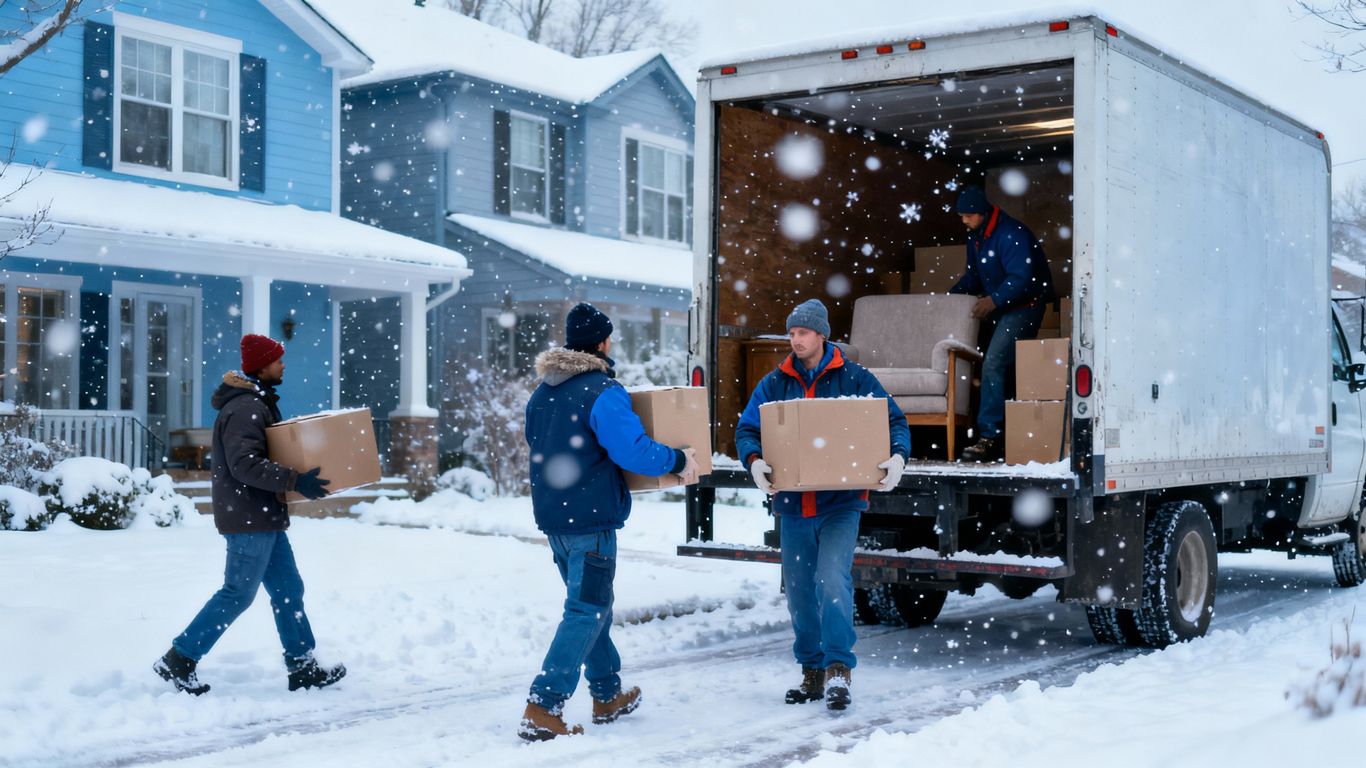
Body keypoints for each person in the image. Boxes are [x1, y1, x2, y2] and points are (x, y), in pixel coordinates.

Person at [519, 302, 700, 741]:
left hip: (555, 520)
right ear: (602, 343)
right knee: (587, 609)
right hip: (591, 520)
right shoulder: (603, 391)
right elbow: (632, 450)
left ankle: (606, 693)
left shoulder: (543, 393)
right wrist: (678, 459)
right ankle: (544, 705)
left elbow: (536, 443)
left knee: (591, 607)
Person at [735, 298, 910, 711]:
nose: (795, 340)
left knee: (832, 582)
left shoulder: (853, 377)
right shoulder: (775, 382)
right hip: (793, 507)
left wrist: (898, 456)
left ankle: (838, 671)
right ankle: (812, 671)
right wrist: (755, 462)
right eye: (792, 333)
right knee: (798, 592)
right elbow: (747, 429)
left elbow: (894, 420)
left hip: (840, 504)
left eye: (803, 333)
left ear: (822, 335)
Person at [153, 333, 344, 696]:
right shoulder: (245, 408)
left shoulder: (256, 402)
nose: (283, 365)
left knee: (289, 590)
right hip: (248, 518)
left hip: (264, 516)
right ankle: (180, 657)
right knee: (237, 594)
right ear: (262, 365)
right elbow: (244, 465)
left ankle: (302, 665)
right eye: (278, 360)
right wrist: (294, 480)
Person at [948, 185, 1055, 462]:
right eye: (961, 215)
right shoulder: (976, 237)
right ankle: (1005, 429)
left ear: (983, 213)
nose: (964, 220)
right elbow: (973, 276)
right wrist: (951, 296)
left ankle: (990, 437)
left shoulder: (1011, 234)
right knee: (989, 363)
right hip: (1001, 306)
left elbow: (1022, 279)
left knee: (994, 362)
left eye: (968, 215)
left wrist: (993, 300)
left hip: (1025, 306)